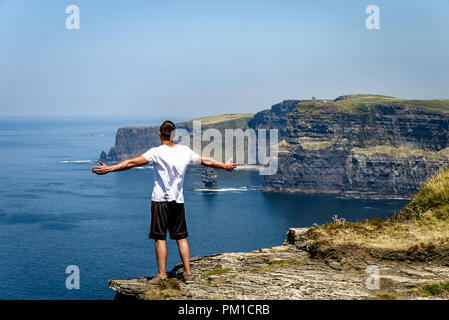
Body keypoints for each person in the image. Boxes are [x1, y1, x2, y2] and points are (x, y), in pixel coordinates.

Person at [91, 120, 236, 284]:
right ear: (174, 135)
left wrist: (110, 169)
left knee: (160, 238)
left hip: (160, 201)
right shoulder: (185, 151)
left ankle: (161, 275)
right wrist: (224, 166)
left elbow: (131, 163)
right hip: (178, 201)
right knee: (181, 237)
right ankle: (188, 274)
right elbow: (206, 161)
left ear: (159, 133)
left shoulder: (156, 152)